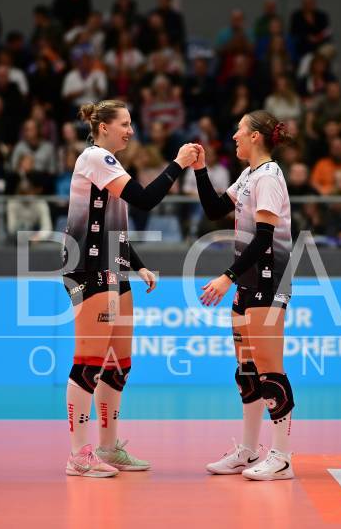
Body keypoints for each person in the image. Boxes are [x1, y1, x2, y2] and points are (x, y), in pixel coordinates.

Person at [61, 99, 198, 477]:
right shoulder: (95, 158)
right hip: (87, 267)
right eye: (124, 123)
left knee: (119, 364)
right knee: (88, 363)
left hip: (112, 267)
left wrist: (137, 265)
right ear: (103, 127)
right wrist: (178, 164)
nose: (131, 130)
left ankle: (107, 448)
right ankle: (78, 454)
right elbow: (145, 200)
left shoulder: (111, 164)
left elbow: (114, 229)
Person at [192, 110, 295, 481]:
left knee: (270, 369)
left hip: (268, 279)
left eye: (239, 130)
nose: (234, 135)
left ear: (255, 136)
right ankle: (249, 451)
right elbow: (215, 209)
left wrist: (227, 277)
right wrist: (200, 170)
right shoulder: (250, 174)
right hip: (248, 281)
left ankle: (282, 457)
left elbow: (264, 238)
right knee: (246, 370)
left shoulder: (268, 177)